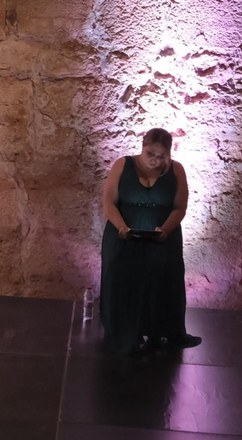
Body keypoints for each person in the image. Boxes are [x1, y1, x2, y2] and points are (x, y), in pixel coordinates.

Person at [99, 128, 199, 355]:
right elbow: (108, 201)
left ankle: (158, 331)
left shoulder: (177, 170)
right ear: (142, 147)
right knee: (121, 276)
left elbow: (180, 207)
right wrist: (122, 227)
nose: (154, 160)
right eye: (150, 154)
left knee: (161, 278)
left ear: (168, 154)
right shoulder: (122, 165)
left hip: (162, 237)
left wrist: (165, 230)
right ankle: (123, 332)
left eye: (161, 156)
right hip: (122, 234)